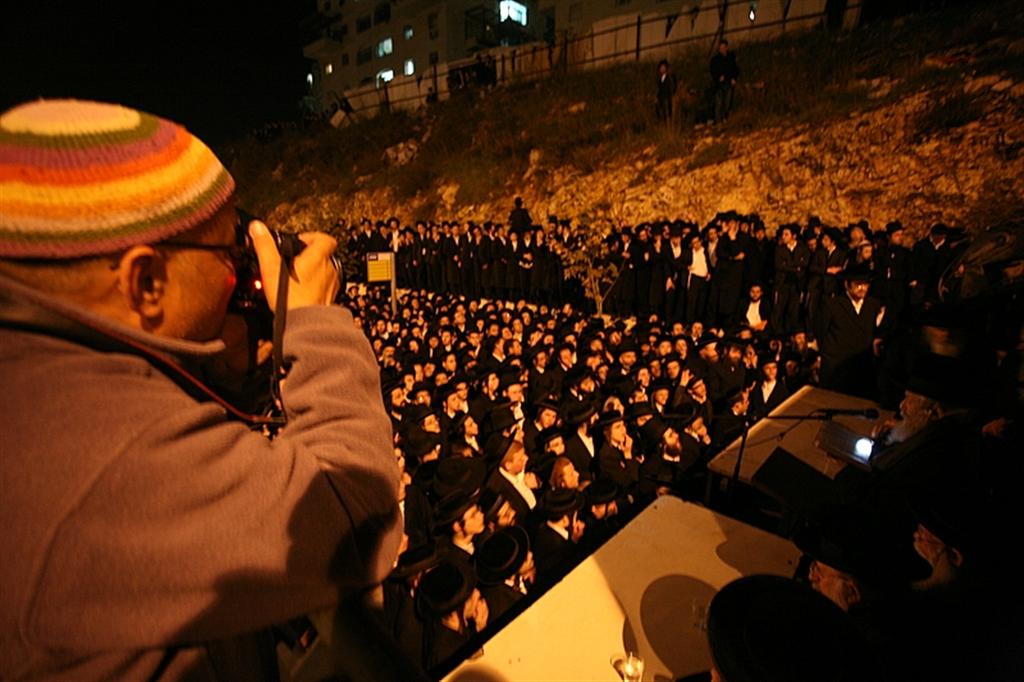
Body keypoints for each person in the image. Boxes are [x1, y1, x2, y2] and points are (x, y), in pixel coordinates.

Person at [0, 99, 402, 680]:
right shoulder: (102, 454)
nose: (244, 270)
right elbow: (354, 520)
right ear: (146, 282)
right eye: (229, 251)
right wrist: (315, 320)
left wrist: (219, 369)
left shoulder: (41, 378)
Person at [709, 39, 739, 124]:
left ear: (726, 47)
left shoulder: (731, 57)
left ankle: (725, 117)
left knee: (727, 102)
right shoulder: (715, 60)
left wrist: (734, 78)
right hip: (719, 84)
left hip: (729, 82)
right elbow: (712, 71)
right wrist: (718, 77)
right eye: (720, 48)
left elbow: (735, 69)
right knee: (719, 102)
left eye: (723, 47)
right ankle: (718, 120)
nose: (722, 49)